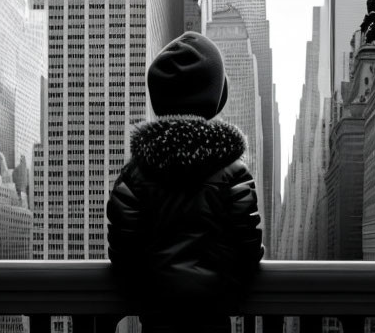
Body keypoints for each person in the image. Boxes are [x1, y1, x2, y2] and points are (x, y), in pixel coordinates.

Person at [107, 31, 264, 331]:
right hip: (213, 319)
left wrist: (147, 293)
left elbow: (122, 252)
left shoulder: (135, 174)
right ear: (215, 97)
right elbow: (249, 250)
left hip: (157, 321)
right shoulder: (234, 173)